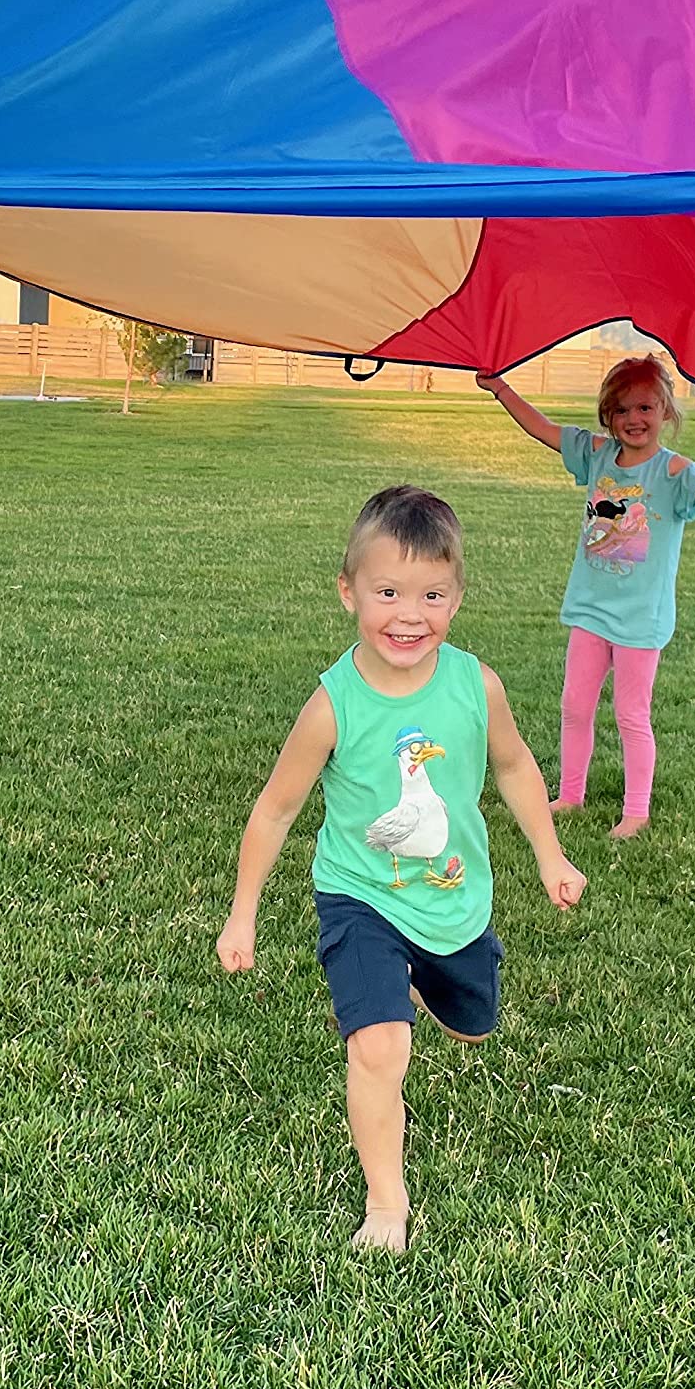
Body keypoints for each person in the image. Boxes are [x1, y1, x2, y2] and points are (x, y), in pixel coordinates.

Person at [217, 486, 586, 1254]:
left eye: (431, 595)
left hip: (454, 902)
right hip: (360, 897)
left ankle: (418, 983)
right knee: (383, 1045)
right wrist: (243, 910)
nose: (408, 615)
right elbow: (276, 810)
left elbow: (515, 767)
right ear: (348, 590)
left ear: (457, 599)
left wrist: (550, 854)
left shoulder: (476, 686)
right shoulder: (332, 706)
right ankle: (388, 1201)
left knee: (471, 1027)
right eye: (387, 592)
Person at [479, 357, 695, 837]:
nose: (634, 419)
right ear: (607, 415)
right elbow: (542, 428)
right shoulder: (597, 455)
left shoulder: (677, 473)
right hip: (590, 611)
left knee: (631, 715)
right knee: (575, 706)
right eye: (622, 409)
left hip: (640, 621)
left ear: (666, 410)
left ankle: (636, 811)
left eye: (646, 407)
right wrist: (499, 387)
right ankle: (570, 794)